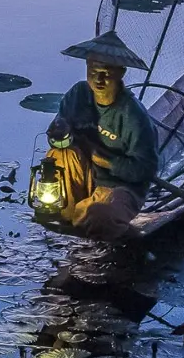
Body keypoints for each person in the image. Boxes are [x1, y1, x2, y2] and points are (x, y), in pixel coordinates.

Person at [44, 31, 159, 242]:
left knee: (100, 217)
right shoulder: (78, 94)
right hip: (86, 177)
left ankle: (91, 220)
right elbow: (58, 135)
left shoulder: (133, 115)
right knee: (59, 153)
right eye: (94, 71)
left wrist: (105, 160)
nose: (99, 79)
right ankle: (69, 213)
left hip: (120, 187)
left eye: (106, 73)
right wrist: (57, 132)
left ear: (120, 73)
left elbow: (145, 170)